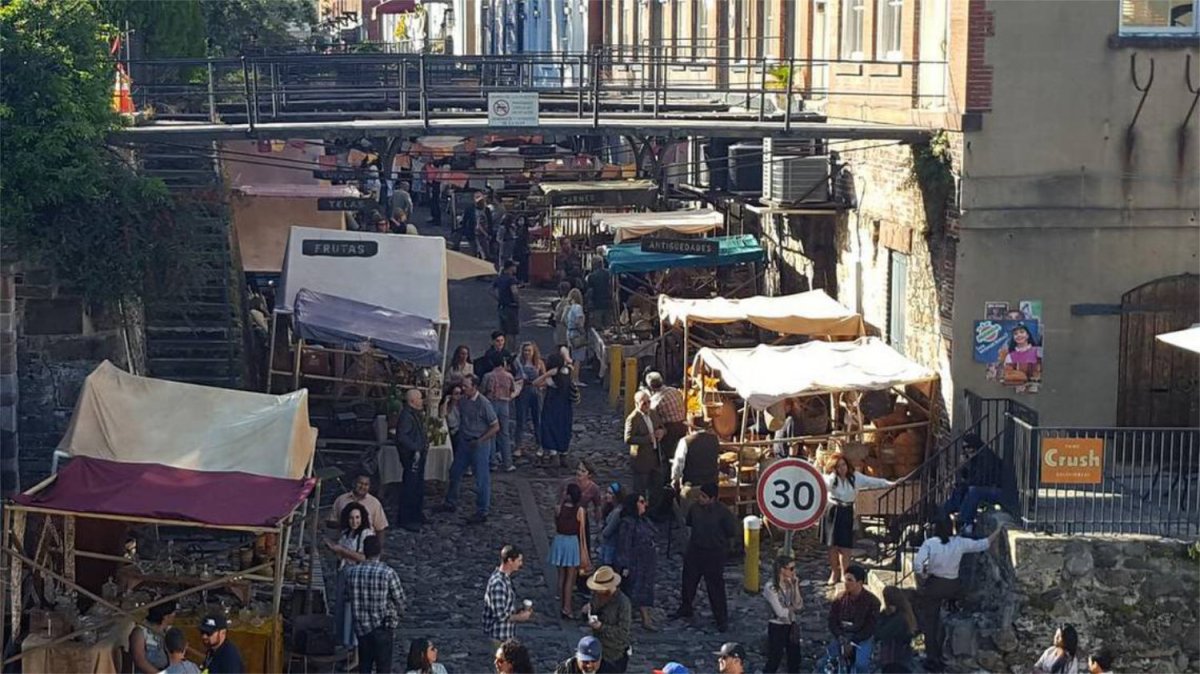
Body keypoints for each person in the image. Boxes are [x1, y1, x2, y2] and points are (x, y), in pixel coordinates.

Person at [914, 516, 1006, 670]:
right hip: (953, 586)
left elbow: (918, 565)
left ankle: (932, 656)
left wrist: (923, 577)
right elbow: (984, 543)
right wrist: (998, 529)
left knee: (930, 622)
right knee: (944, 618)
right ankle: (945, 650)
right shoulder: (959, 542)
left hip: (934, 585)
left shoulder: (930, 543)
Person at [671, 483, 736, 631]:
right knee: (688, 581)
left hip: (714, 553)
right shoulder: (695, 509)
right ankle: (686, 607)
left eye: (704, 497)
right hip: (695, 549)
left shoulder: (723, 512)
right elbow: (689, 525)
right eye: (700, 495)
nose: (700, 498)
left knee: (715, 587)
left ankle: (721, 618)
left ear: (712, 499)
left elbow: (730, 531)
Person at [436, 374, 500, 524]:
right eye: (462, 386)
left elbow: (495, 426)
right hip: (465, 441)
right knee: (455, 471)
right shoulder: (463, 400)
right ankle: (450, 502)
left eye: (466, 386)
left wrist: (481, 440)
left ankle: (482, 510)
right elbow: (447, 413)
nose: (463, 389)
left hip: (479, 443)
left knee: (481, 478)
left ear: (474, 387)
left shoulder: (484, 404)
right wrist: (451, 401)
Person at [822, 452, 893, 585]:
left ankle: (844, 572)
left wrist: (889, 483)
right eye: (838, 466)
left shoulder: (855, 477)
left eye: (843, 465)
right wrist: (832, 476)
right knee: (832, 545)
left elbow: (872, 482)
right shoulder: (831, 479)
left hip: (847, 510)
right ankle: (834, 572)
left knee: (845, 545)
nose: (842, 468)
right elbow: (824, 484)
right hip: (833, 510)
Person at [345, 535, 407, 673]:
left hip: (361, 628)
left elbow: (347, 596)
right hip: (383, 626)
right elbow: (400, 599)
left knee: (365, 666)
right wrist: (399, 614)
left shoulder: (351, 573)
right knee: (383, 668)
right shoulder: (388, 573)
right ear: (380, 551)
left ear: (364, 551)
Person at [328, 502, 375, 650]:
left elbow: (364, 557)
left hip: (357, 575)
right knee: (342, 608)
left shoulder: (366, 534)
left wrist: (341, 550)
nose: (354, 521)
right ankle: (343, 642)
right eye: (351, 518)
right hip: (345, 573)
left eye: (357, 518)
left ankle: (353, 645)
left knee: (352, 610)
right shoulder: (346, 533)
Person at [940, 432, 1006, 536]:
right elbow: (969, 478)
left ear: (975, 446)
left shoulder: (986, 457)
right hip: (984, 488)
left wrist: (967, 467)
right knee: (960, 488)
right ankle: (946, 512)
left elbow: (980, 481)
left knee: (973, 491)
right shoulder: (974, 459)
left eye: (968, 447)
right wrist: (963, 467)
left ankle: (965, 522)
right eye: (964, 448)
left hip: (998, 490)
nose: (966, 450)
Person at [614, 492, 659, 631]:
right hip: (634, 564)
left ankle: (645, 619)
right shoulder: (627, 523)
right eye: (640, 501)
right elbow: (624, 544)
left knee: (643, 592)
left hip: (645, 564)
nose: (644, 504)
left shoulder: (644, 520)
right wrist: (624, 565)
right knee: (629, 593)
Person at [826, 565, 880, 674]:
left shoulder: (872, 602)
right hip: (842, 635)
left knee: (861, 665)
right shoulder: (839, 599)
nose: (846, 583)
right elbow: (832, 620)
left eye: (850, 580)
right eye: (845, 580)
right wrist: (840, 636)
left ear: (859, 583)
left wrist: (853, 641)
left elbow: (870, 627)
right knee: (830, 661)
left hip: (862, 638)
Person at [550, 483, 591, 619]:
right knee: (570, 577)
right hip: (572, 542)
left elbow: (556, 522)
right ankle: (567, 607)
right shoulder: (580, 511)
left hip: (559, 541)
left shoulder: (558, 509)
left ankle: (561, 600)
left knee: (562, 573)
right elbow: (582, 531)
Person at [581, 566, 632, 673]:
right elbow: (593, 609)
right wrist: (587, 611)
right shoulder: (597, 595)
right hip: (598, 651)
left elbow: (623, 633)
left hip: (614, 655)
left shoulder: (623, 603)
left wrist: (601, 627)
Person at [670, 415, 721, 515]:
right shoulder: (714, 439)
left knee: (689, 519)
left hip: (692, 486)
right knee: (710, 517)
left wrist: (675, 480)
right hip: (711, 486)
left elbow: (679, 463)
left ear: (690, 428)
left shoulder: (686, 441)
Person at [484, 546, 535, 645]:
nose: (521, 564)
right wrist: (519, 617)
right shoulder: (498, 584)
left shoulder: (504, 579)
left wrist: (519, 610)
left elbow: (504, 607)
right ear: (510, 561)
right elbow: (499, 615)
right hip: (498, 637)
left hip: (505, 636)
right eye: (519, 561)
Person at [395, 388, 429, 531]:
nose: (422, 401)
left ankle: (416, 514)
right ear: (413, 401)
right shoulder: (407, 416)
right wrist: (416, 447)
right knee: (410, 487)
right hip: (411, 457)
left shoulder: (414, 414)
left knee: (417, 487)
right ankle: (406, 518)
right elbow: (402, 437)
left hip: (417, 455)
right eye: (420, 398)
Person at [623, 391, 664, 509]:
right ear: (637, 404)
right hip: (642, 459)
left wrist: (662, 432)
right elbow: (628, 438)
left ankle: (653, 511)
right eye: (644, 403)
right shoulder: (633, 418)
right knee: (640, 490)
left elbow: (662, 427)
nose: (647, 405)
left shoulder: (653, 413)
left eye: (649, 402)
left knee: (656, 488)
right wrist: (648, 439)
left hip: (655, 457)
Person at [535, 350, 576, 465]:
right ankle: (564, 453)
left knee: (550, 428)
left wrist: (546, 374)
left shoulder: (552, 379)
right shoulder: (567, 373)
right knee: (564, 428)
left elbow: (536, 383)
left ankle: (553, 454)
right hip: (566, 406)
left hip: (552, 406)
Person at [763, 557, 802, 673]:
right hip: (777, 626)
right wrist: (791, 609)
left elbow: (799, 604)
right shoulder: (771, 587)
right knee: (775, 658)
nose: (793, 572)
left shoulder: (790, 584)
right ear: (782, 570)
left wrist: (795, 587)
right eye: (791, 569)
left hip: (791, 624)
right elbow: (780, 612)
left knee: (795, 658)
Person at [481, 354, 517, 472]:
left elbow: (483, 389)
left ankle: (492, 462)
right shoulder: (509, 376)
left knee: (491, 432)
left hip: (491, 403)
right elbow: (513, 389)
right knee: (504, 434)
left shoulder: (488, 376)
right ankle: (508, 463)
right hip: (505, 404)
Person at [645, 372, 687, 465]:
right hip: (683, 425)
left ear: (650, 387)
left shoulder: (655, 401)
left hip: (670, 430)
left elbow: (653, 418)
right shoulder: (674, 390)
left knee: (670, 455)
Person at [330, 473, 389, 539]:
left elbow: (380, 528)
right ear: (354, 483)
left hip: (366, 544)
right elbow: (331, 522)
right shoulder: (341, 500)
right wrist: (346, 523)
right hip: (344, 542)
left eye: (366, 484)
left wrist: (378, 548)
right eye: (360, 483)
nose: (362, 487)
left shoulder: (375, 503)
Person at [513, 342, 545, 455]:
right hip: (522, 391)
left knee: (538, 419)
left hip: (536, 392)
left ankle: (540, 444)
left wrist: (540, 384)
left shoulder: (539, 363)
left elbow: (544, 377)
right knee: (521, 419)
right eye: (525, 350)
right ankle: (518, 445)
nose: (527, 353)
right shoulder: (518, 364)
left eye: (529, 351)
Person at [875, 585, 917, 669]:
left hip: (896, 659)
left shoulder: (900, 618)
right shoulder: (904, 613)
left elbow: (881, 633)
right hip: (901, 658)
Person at [130, 600, 175, 673]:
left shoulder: (167, 631)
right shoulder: (140, 632)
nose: (175, 615)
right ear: (166, 617)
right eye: (173, 613)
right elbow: (139, 660)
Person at [560, 459, 604, 527]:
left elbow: (597, 506)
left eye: (583, 471)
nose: (579, 473)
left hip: (582, 519)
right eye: (578, 469)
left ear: (589, 475)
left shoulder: (594, 489)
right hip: (567, 517)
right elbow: (559, 503)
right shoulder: (566, 483)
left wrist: (598, 522)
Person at [492, 260, 521, 347]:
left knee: (503, 331)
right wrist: (517, 301)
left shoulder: (500, 278)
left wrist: (499, 299)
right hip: (511, 307)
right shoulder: (511, 279)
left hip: (502, 307)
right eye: (514, 266)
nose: (516, 268)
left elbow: (490, 290)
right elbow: (514, 292)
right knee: (511, 332)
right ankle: (511, 351)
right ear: (510, 268)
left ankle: (502, 350)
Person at [563, 288, 588, 386]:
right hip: (576, 334)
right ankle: (575, 379)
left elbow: (564, 320)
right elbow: (579, 322)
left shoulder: (569, 307)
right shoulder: (578, 307)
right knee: (578, 358)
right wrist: (583, 332)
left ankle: (569, 378)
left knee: (571, 357)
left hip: (569, 332)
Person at [598, 484, 624, 566]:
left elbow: (607, 532)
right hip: (607, 546)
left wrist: (602, 528)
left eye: (610, 493)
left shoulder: (617, 512)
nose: (607, 495)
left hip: (612, 547)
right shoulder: (611, 509)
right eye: (607, 492)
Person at [584, 259, 613, 329]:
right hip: (608, 303)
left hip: (597, 304)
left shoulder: (591, 276)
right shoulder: (609, 274)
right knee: (608, 327)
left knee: (598, 328)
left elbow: (590, 291)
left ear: (594, 265)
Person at [551, 282, 572, 347]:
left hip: (562, 329)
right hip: (566, 329)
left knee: (562, 347)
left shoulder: (563, 302)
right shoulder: (571, 300)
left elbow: (558, 316)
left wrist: (554, 314)